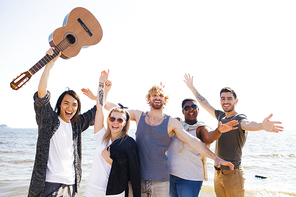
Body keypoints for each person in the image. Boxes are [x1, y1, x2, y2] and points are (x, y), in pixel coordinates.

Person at [101, 82, 235, 196]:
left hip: (161, 181)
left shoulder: (171, 122)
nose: (157, 98)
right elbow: (115, 110)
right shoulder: (139, 115)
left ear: (165, 100)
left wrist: (216, 158)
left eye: (161, 96)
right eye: (154, 95)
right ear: (149, 98)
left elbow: (193, 141)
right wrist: (101, 92)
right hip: (137, 178)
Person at [183, 73, 284, 197]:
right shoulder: (221, 116)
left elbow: (247, 124)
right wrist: (192, 87)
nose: (226, 101)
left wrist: (261, 126)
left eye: (229, 98)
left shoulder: (239, 118)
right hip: (218, 172)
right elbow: (204, 103)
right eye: (223, 98)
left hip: (233, 174)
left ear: (236, 101)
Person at [28, 48, 97, 197]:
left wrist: (97, 95)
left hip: (71, 184)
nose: (70, 108)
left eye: (74, 105)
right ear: (59, 104)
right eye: (66, 103)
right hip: (48, 184)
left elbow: (98, 110)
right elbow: (41, 96)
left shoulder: (77, 124)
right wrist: (49, 65)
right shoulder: (49, 120)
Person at [82, 70, 141, 197]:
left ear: (125, 123)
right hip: (92, 190)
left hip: (115, 193)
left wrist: (111, 161)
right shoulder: (101, 136)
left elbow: (132, 173)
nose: (115, 122)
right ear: (108, 119)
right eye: (112, 118)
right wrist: (101, 84)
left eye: (120, 120)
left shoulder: (129, 143)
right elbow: (99, 108)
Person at [167, 98, 238, 197]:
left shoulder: (201, 128)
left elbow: (208, 137)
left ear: (198, 109)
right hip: (170, 176)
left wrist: (218, 131)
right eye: (187, 108)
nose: (190, 109)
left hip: (190, 178)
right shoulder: (176, 125)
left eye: (193, 106)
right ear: (182, 111)